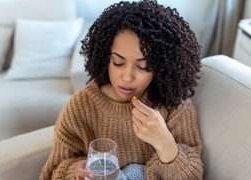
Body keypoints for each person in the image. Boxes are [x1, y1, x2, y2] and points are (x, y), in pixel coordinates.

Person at [40, 0, 203, 179]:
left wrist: (165, 144)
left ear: (161, 67)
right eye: (118, 63)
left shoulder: (173, 105)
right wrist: (73, 172)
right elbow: (53, 172)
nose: (127, 77)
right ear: (105, 58)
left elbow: (193, 176)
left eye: (142, 66)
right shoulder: (80, 107)